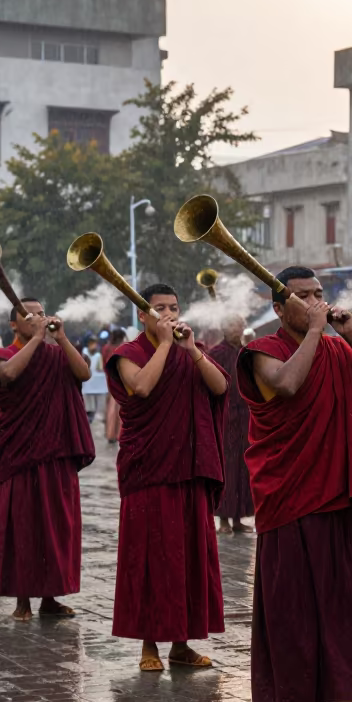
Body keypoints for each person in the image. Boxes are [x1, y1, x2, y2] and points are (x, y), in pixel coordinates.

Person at [238, 267, 352, 702]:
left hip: (339, 494)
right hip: (290, 497)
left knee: (337, 605)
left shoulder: (339, 347)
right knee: (293, 607)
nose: (314, 302)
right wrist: (319, 333)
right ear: (279, 309)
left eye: (319, 294)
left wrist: (349, 337)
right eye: (302, 296)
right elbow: (286, 385)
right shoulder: (261, 351)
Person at [106, 284, 228, 672]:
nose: (169, 315)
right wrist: (163, 345)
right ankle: (148, 645)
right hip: (150, 472)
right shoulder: (128, 354)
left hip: (188, 471)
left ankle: (180, 643)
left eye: (173, 308)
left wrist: (191, 350)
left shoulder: (191, 351)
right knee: (149, 559)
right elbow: (140, 387)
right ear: (142, 315)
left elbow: (221, 386)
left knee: (186, 559)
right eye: (159, 309)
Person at [0, 299, 94, 621]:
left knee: (56, 528)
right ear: (14, 326)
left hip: (56, 453)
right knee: (23, 526)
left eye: (40, 313)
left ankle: (49, 597)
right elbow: (8, 375)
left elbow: (84, 373)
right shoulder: (1, 355)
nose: (37, 318)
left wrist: (59, 338)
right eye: (28, 315)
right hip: (22, 455)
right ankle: (23, 601)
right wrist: (35, 339)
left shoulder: (57, 353)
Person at [207, 315, 254, 534]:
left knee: (243, 468)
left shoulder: (246, 352)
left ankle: (238, 519)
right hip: (225, 419)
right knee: (227, 468)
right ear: (225, 328)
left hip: (245, 417)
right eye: (235, 325)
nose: (240, 329)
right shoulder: (216, 353)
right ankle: (224, 520)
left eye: (241, 325)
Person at [101, 328, 127, 444]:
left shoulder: (106, 347)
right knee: (122, 407)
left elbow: (104, 364)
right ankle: (119, 434)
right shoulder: (125, 346)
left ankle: (110, 434)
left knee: (111, 407)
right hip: (123, 380)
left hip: (111, 379)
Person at [82, 337, 108, 425]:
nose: (94, 346)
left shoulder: (97, 355)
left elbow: (100, 367)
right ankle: (90, 413)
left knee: (94, 398)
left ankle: (93, 413)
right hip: (87, 379)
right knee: (88, 398)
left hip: (92, 380)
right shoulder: (85, 353)